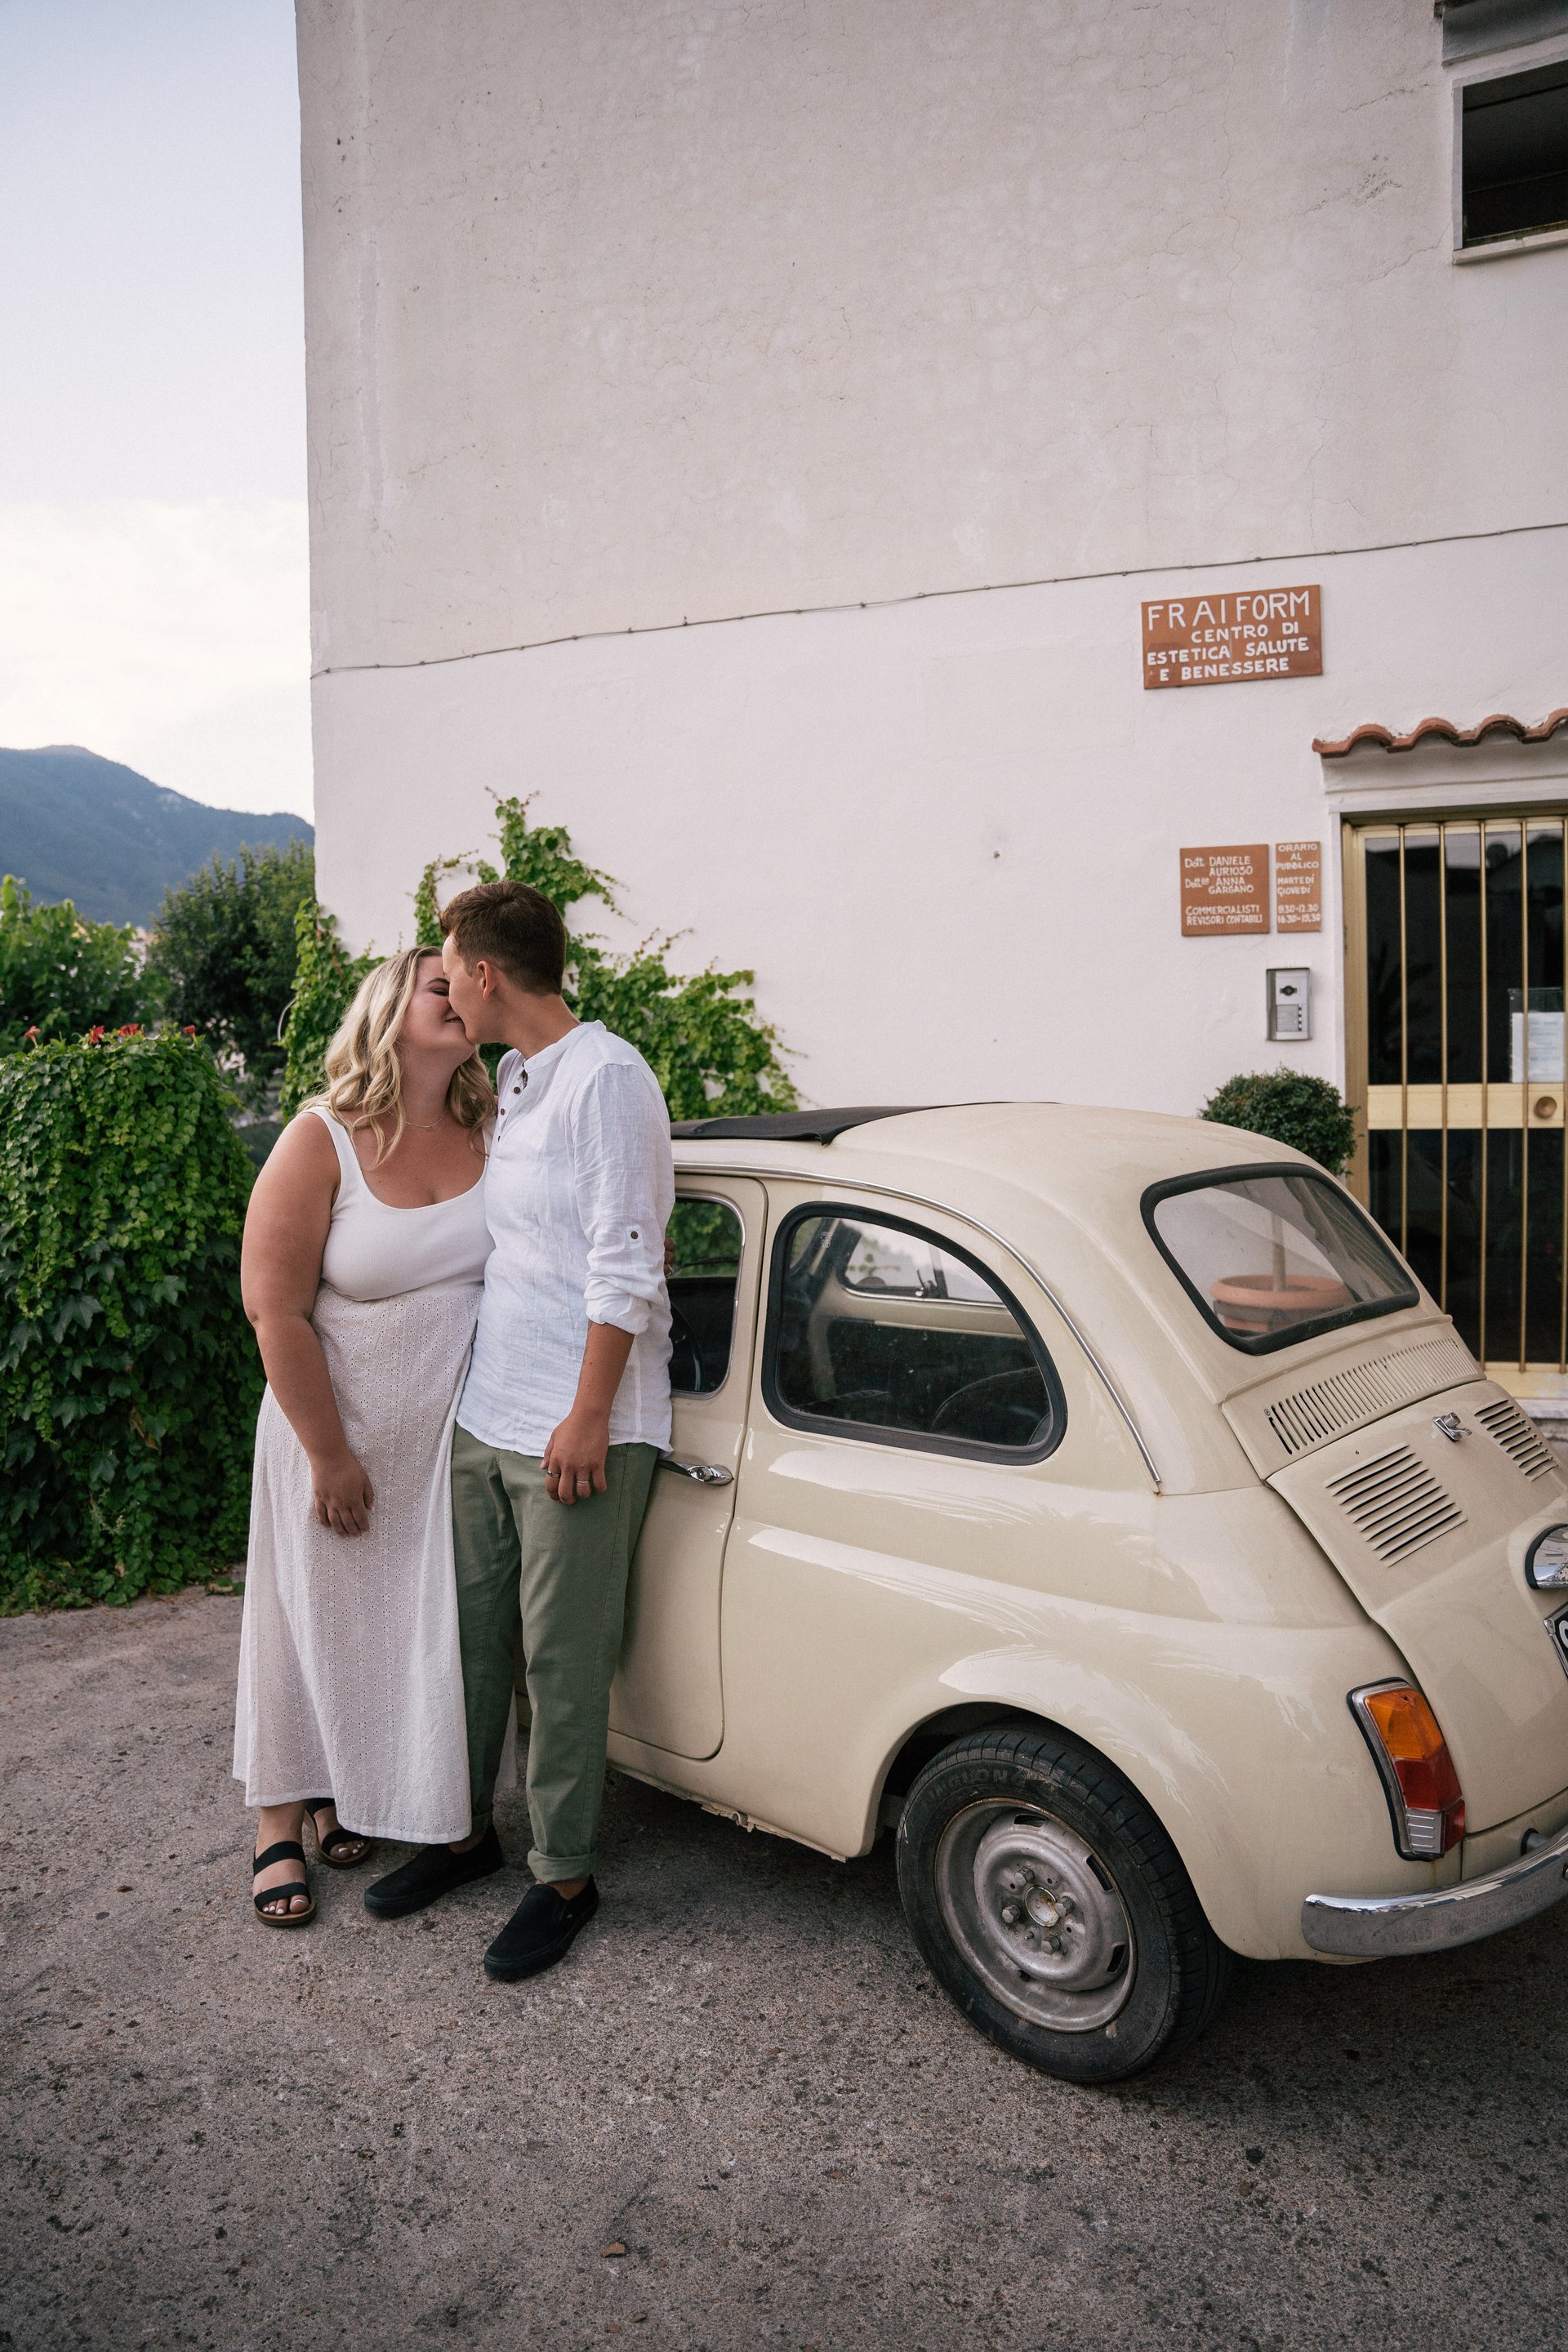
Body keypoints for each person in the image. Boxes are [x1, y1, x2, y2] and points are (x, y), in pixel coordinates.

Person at [363, 879, 674, 1982]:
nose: (446, 986)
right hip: (487, 1413)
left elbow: (628, 1264)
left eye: (451, 971)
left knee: (561, 1656)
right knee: (473, 1642)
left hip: (579, 1426)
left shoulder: (609, 1080)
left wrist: (590, 1415)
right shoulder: (517, 1080)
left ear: (488, 976)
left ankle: (564, 1876)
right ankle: (462, 1835)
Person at [234, 948, 494, 1927]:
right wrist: (329, 1454)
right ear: (392, 1007)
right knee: (304, 1622)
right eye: (443, 986)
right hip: (329, 1436)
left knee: (400, 1634)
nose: (464, 998)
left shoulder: (491, 1126)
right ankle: (276, 1822)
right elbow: (275, 1310)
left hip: (439, 1446)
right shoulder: (320, 1139)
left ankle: (359, 1791)